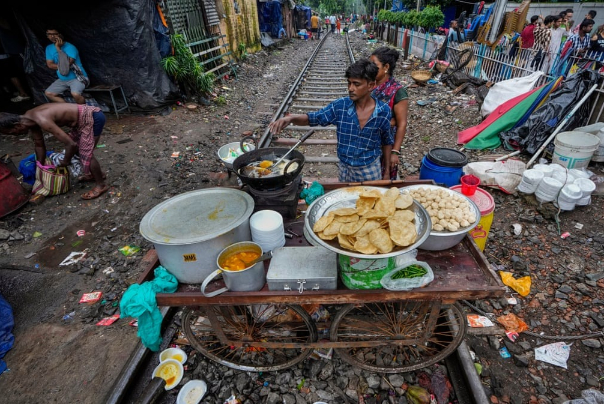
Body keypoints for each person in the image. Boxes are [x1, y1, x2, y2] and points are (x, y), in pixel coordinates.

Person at [268, 59, 392, 182]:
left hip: (370, 170)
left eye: (356, 84)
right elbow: (314, 118)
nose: (350, 88)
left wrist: (386, 172)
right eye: (349, 83)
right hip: (345, 170)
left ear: (371, 85)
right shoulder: (340, 106)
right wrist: (291, 118)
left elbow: (387, 141)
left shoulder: (383, 111)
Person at [0, 103, 108, 199]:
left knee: (85, 153)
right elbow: (39, 145)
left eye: (12, 132)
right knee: (79, 150)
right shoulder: (30, 120)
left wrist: (65, 161)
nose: (15, 135)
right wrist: (40, 166)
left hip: (92, 117)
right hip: (80, 120)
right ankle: (96, 174)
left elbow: (71, 144)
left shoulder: (41, 120)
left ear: (17, 125)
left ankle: (101, 185)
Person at [369, 47, 408, 180]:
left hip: (385, 145)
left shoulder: (397, 91)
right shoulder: (368, 85)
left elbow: (401, 123)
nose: (370, 69)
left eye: (374, 66)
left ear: (386, 67)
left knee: (383, 183)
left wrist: (395, 152)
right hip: (366, 145)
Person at [44, 28, 88, 104]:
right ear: (47, 36)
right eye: (49, 34)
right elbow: (50, 65)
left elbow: (67, 64)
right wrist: (62, 66)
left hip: (78, 78)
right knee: (49, 93)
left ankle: (84, 113)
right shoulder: (49, 48)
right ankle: (69, 109)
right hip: (63, 79)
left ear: (60, 35)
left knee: (75, 94)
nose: (52, 36)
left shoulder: (70, 47)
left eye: (54, 34)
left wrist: (58, 48)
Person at [0, 16, 30, 103]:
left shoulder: (5, 23)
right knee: (12, 73)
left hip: (13, 51)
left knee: (19, 72)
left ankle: (24, 93)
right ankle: (22, 91)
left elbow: (8, 27)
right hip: (6, 53)